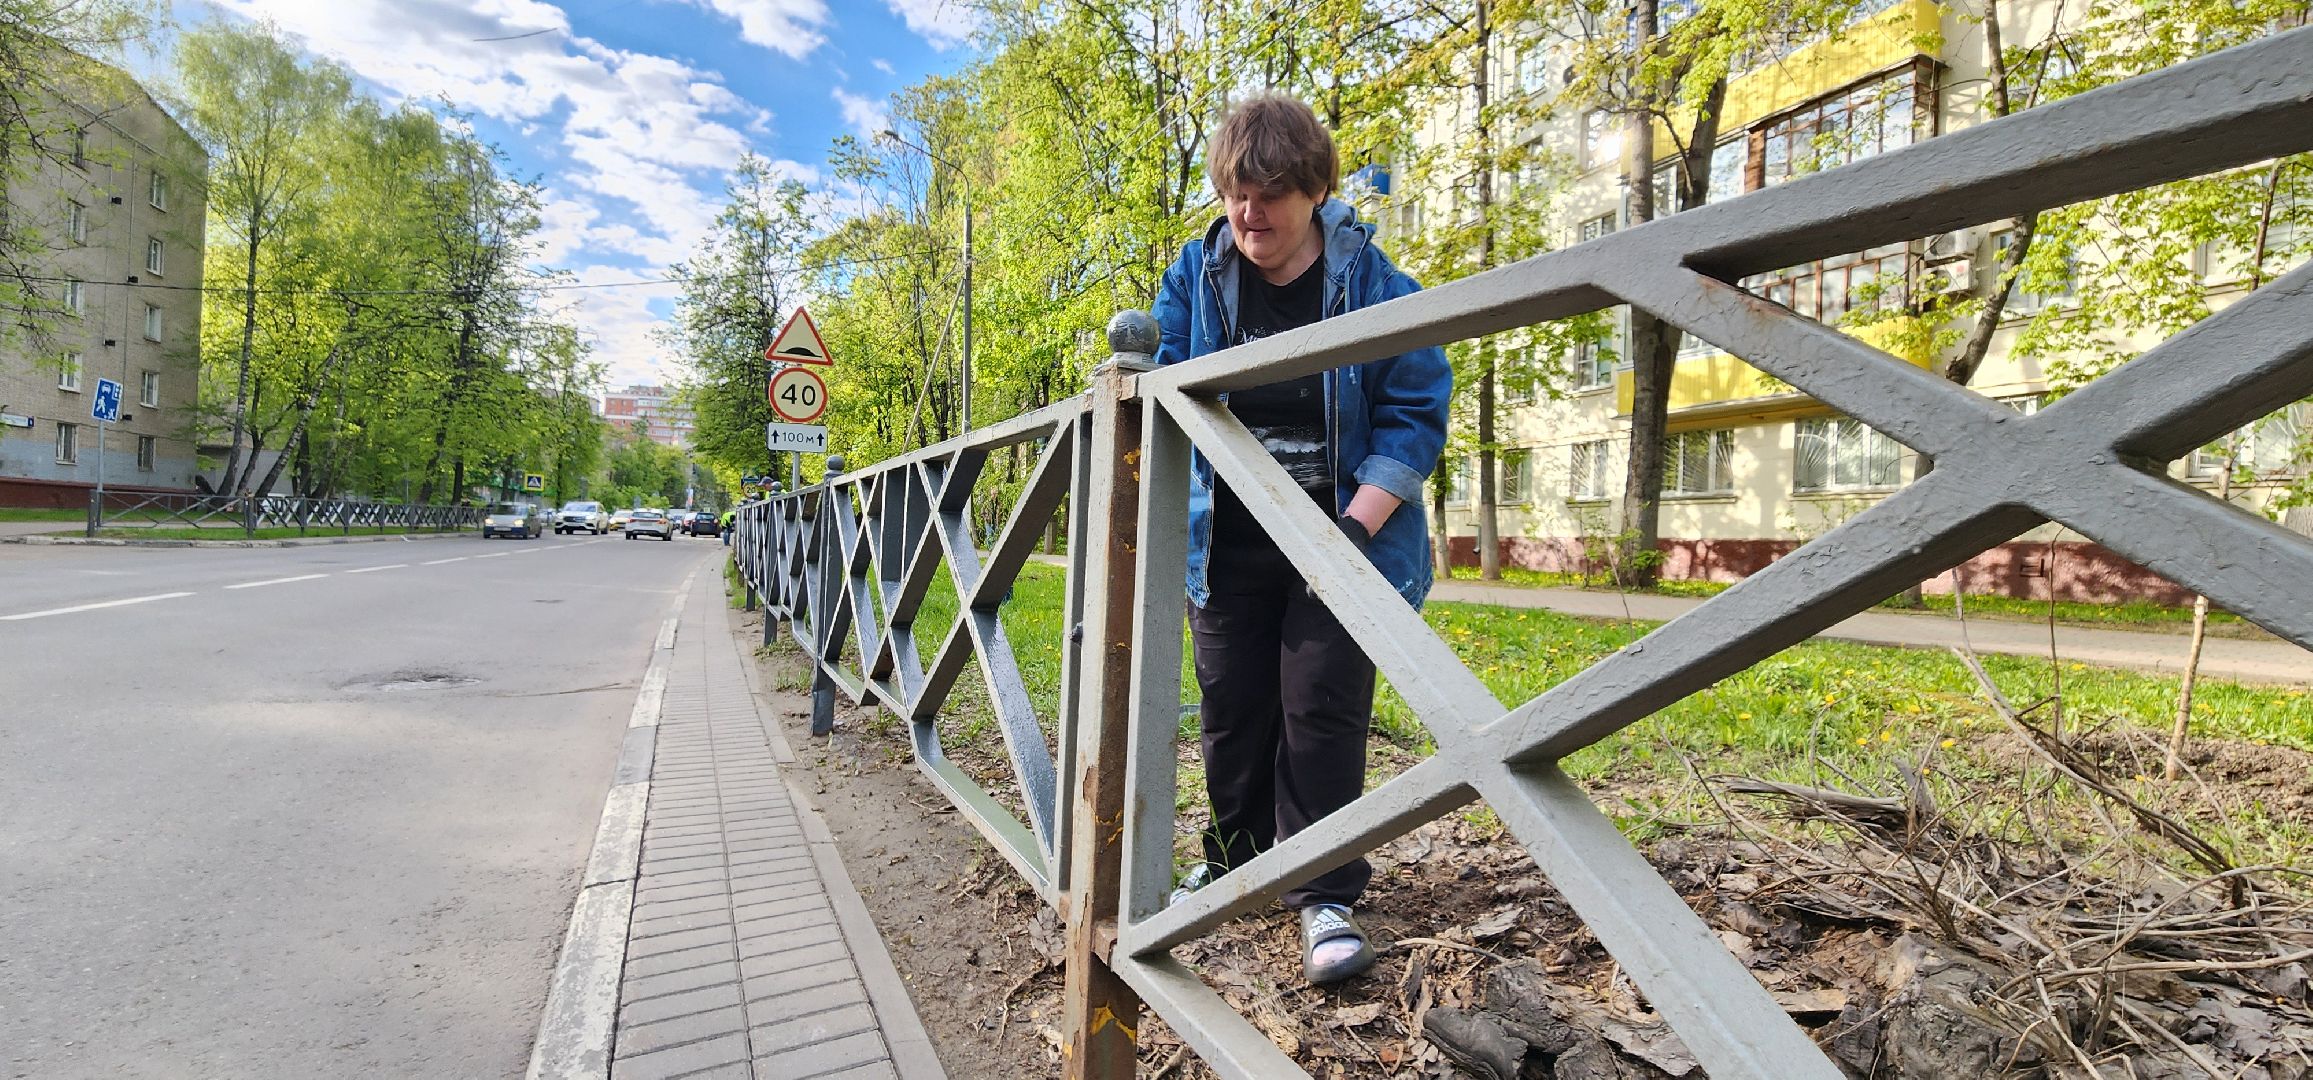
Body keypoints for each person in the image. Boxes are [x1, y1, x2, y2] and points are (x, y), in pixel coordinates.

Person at [1150, 93, 1451, 986]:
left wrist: (1352, 532)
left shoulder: (1371, 283)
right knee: (1231, 712)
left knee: (1319, 709)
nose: (1249, 215)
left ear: (1313, 191)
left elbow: (1414, 409)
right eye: (1235, 193)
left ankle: (1323, 892)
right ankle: (1239, 862)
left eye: (1270, 195)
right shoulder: (1197, 276)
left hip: (1343, 534)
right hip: (1226, 539)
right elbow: (1164, 384)